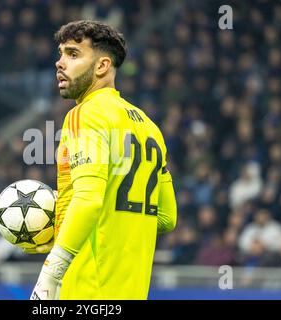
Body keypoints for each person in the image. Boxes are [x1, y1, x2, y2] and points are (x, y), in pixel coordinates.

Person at [27, 20, 177, 300]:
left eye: (73, 54)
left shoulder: (86, 114)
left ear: (102, 66)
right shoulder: (149, 127)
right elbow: (167, 217)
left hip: (85, 290)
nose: (60, 63)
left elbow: (89, 200)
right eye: (60, 54)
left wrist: (49, 275)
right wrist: (68, 221)